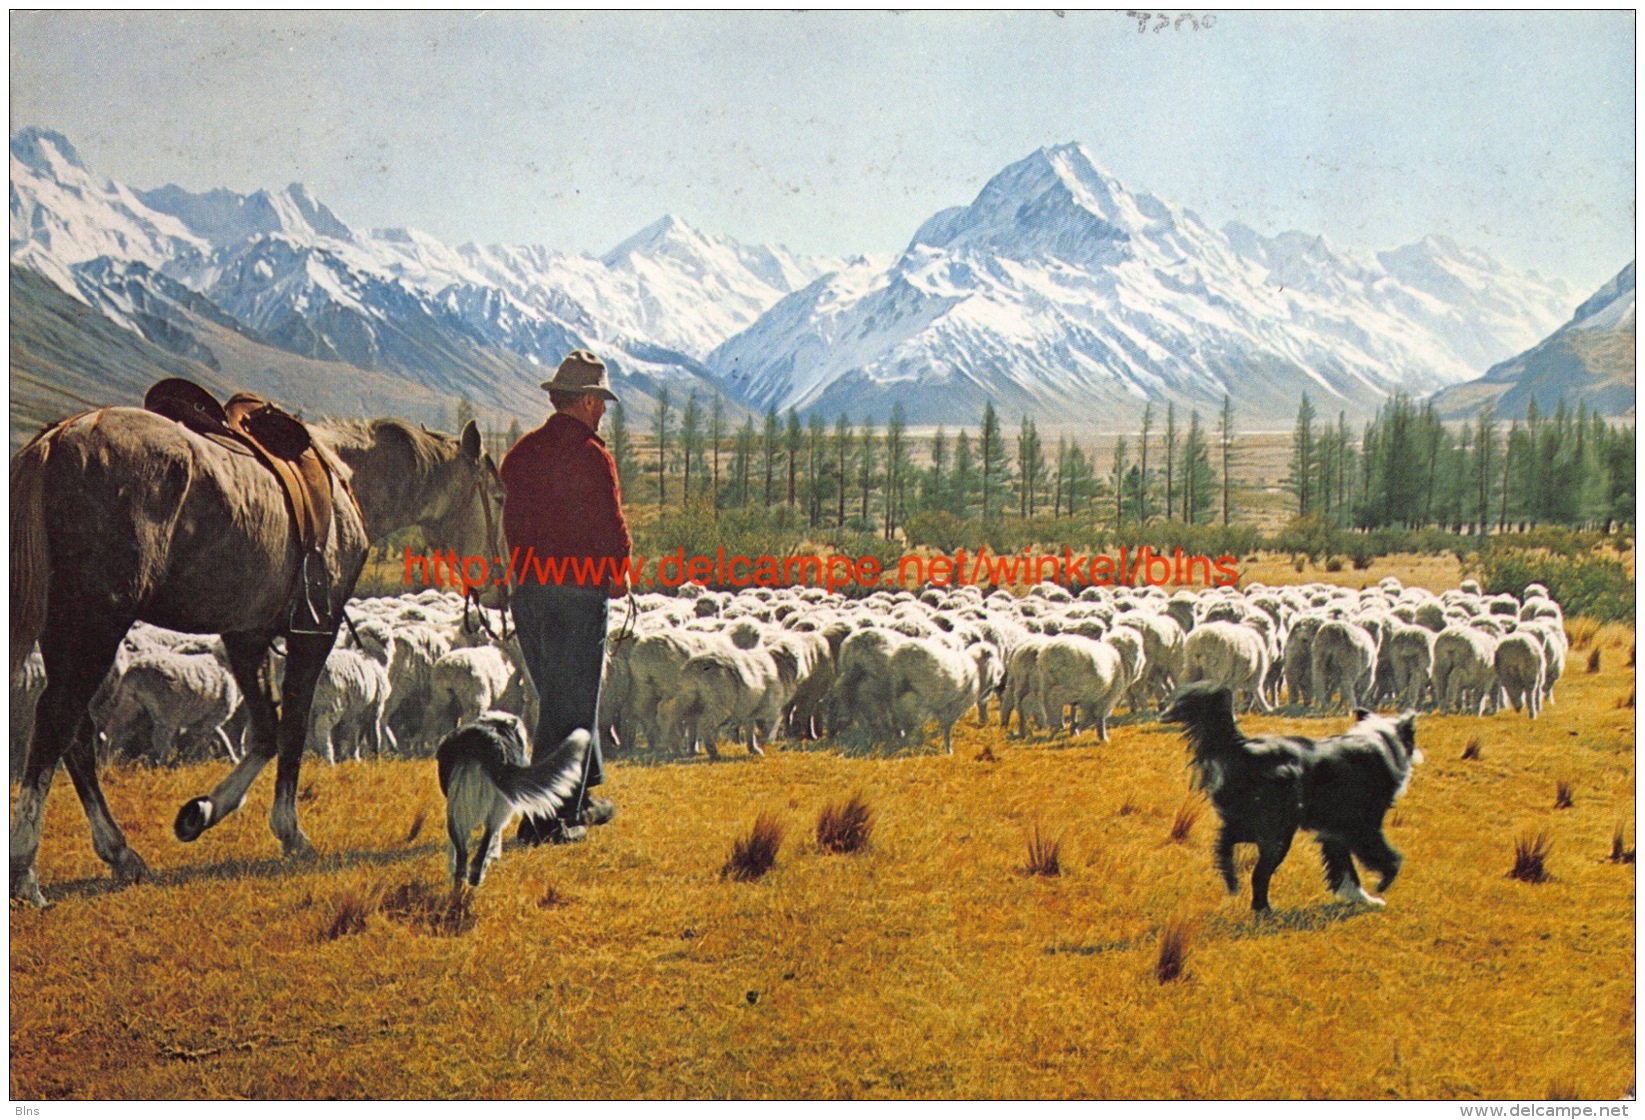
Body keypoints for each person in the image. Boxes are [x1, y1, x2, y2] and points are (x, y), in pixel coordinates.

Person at [499, 349, 630, 844]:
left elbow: (507, 521)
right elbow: (611, 529)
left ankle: (580, 798)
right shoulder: (594, 458)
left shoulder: (521, 454)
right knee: (569, 705)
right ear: (587, 401)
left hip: (529, 590)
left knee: (558, 694)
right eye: (600, 401)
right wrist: (619, 573)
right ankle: (543, 823)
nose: (603, 411)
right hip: (578, 591)